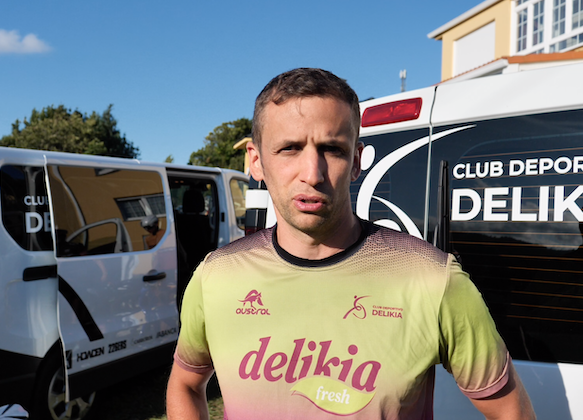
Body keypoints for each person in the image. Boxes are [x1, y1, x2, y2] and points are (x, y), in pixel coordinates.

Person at [166, 68, 536, 419]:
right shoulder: (216, 277)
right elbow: (185, 384)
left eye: (332, 149)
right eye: (290, 148)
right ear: (256, 161)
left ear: (356, 160)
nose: (312, 173)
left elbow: (510, 411)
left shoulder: (433, 280)